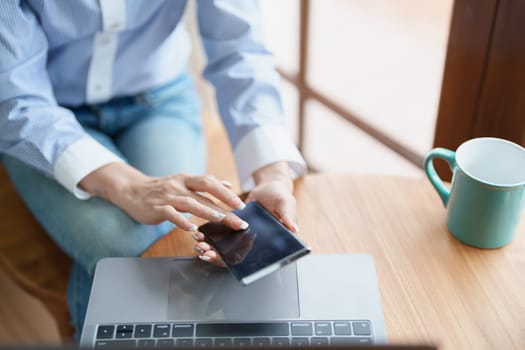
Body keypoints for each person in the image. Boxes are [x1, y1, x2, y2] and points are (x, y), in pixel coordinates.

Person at [0, 0, 306, 338]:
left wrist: (273, 173)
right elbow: (16, 99)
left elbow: (241, 49)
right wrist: (130, 187)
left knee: (175, 243)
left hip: (159, 99)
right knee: (127, 255)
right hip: (40, 116)